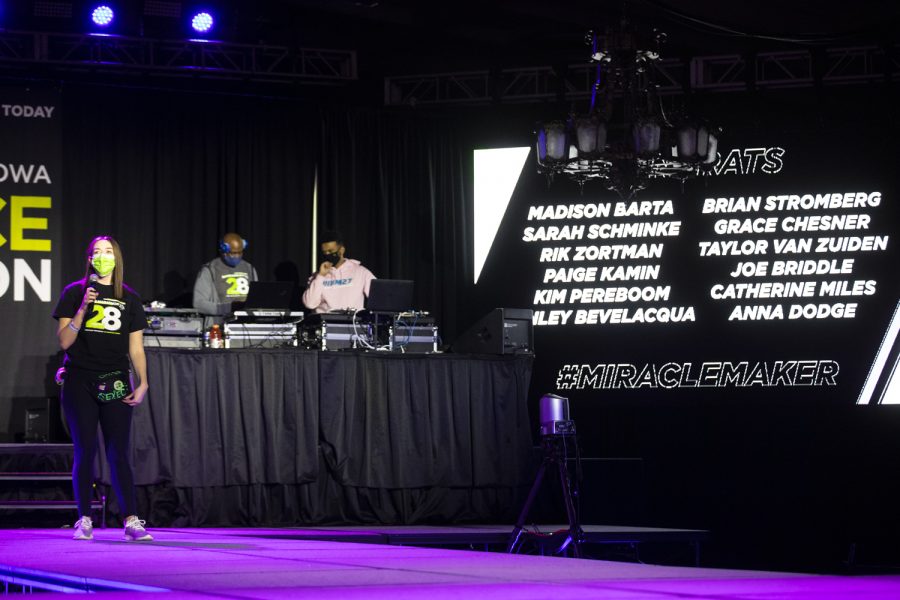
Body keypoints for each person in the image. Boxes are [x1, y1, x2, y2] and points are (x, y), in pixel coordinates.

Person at [53, 236, 153, 542]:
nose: (102, 256)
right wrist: (84, 307)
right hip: (79, 379)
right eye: (97, 251)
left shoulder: (130, 298)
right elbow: (64, 341)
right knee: (86, 450)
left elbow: (136, 348)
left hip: (115, 380)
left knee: (118, 452)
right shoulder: (74, 292)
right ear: (89, 258)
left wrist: (143, 381)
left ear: (117, 257)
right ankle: (84, 519)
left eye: (108, 251)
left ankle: (131, 521)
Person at [193, 232, 258, 327]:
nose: (237, 256)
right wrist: (229, 307)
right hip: (220, 326)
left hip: (247, 325)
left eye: (240, 252)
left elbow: (256, 299)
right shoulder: (210, 270)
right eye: (233, 253)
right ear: (223, 251)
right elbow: (199, 304)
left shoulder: (249, 268)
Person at [302, 231, 375, 313]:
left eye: (330, 251)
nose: (327, 254)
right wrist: (321, 276)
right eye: (324, 252)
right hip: (325, 322)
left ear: (341, 250)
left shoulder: (361, 272)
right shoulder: (316, 276)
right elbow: (310, 304)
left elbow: (379, 298)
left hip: (352, 323)